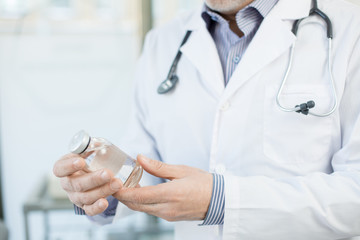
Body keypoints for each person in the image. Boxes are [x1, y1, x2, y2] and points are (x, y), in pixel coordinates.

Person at [53, 0, 360, 239]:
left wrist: (222, 201)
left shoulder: (351, 29)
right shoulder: (162, 42)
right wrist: (100, 190)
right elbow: (144, 164)